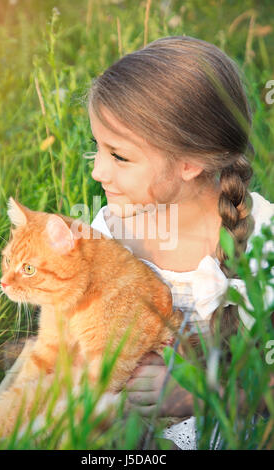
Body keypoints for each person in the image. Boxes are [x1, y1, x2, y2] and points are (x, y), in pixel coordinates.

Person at [87, 35, 274, 450]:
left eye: (119, 156)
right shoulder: (111, 228)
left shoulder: (265, 241)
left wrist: (193, 397)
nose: (98, 171)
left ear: (190, 163)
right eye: (96, 148)